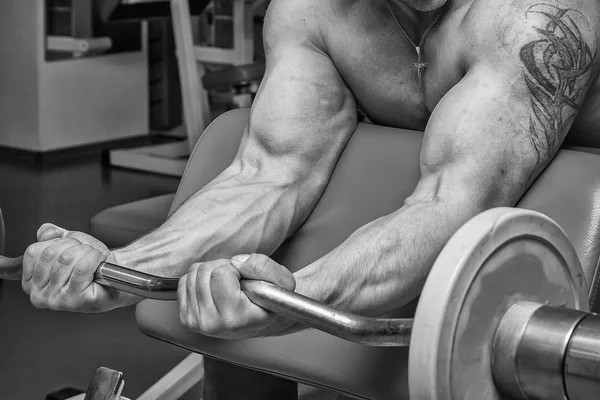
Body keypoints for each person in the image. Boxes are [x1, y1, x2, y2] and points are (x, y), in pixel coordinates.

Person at [2, 0, 598, 397]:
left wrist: (298, 298)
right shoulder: (312, 12)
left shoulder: (536, 21)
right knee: (236, 345)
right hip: (418, 220)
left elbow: (452, 199)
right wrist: (113, 272)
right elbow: (269, 173)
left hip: (561, 246)